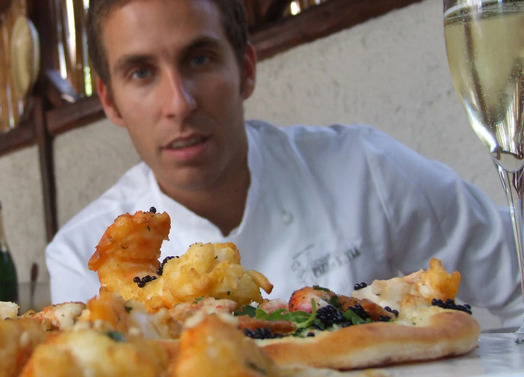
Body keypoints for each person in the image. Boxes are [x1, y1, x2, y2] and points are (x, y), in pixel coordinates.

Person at [46, 0, 524, 328]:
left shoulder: (365, 169)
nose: (179, 103)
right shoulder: (79, 255)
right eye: (142, 72)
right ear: (109, 101)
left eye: (199, 58)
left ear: (246, 69)